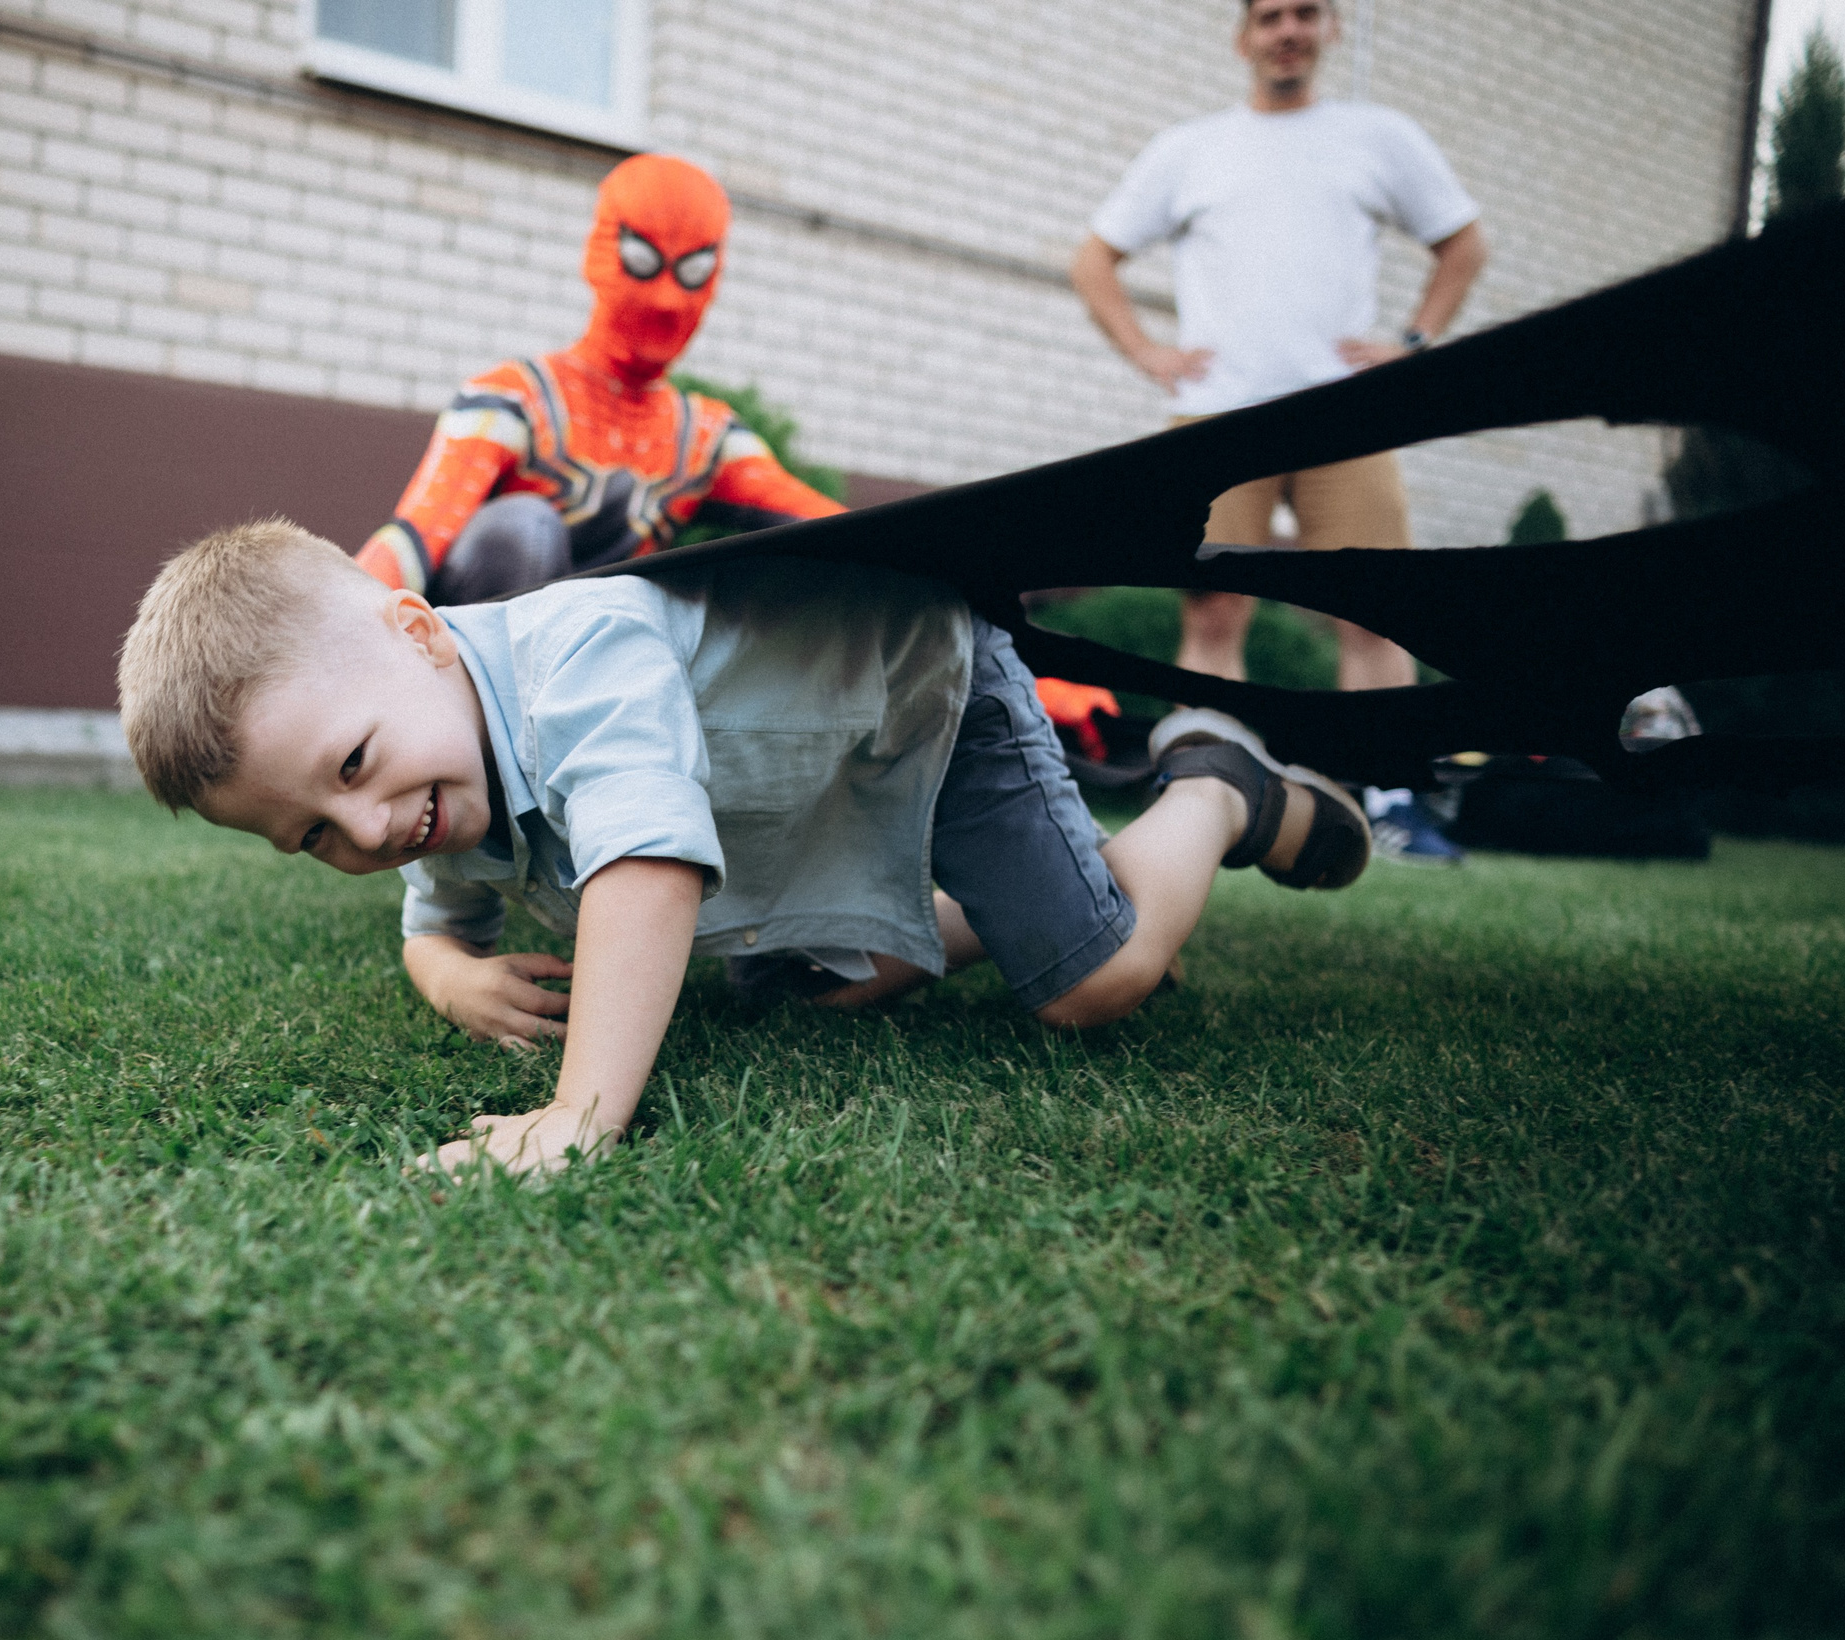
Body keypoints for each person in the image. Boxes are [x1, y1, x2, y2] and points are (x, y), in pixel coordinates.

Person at [118, 519, 1375, 1177]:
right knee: (817, 984)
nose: (369, 828)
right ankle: (1007, 902)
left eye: (349, 771)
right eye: (310, 838)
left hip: (921, 693)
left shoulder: (575, 659)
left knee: (1095, 981)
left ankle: (1214, 787)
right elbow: (434, 921)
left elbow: (645, 869)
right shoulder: (423, 771)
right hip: (808, 790)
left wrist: (579, 1116)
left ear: (421, 631)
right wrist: (450, 975)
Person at [1069, 0, 1486, 862]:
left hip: (1345, 414)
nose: (1286, 30)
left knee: (1377, 613)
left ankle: (1394, 799)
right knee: (1215, 610)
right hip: (1219, 418)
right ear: (1243, 38)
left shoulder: (1379, 136)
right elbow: (1094, 258)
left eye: (1304, 13)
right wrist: (1150, 352)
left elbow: (1464, 244)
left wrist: (1412, 344)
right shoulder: (1190, 149)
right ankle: (1203, 794)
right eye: (1268, 17)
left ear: (1330, 29)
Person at [352, 153, 845, 603]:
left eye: (693, 270)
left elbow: (825, 522)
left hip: (600, 660)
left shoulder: (705, 438)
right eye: (642, 262)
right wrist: (335, 629)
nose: (667, 300)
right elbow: (417, 535)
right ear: (602, 250)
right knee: (521, 529)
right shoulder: (512, 399)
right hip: (470, 649)